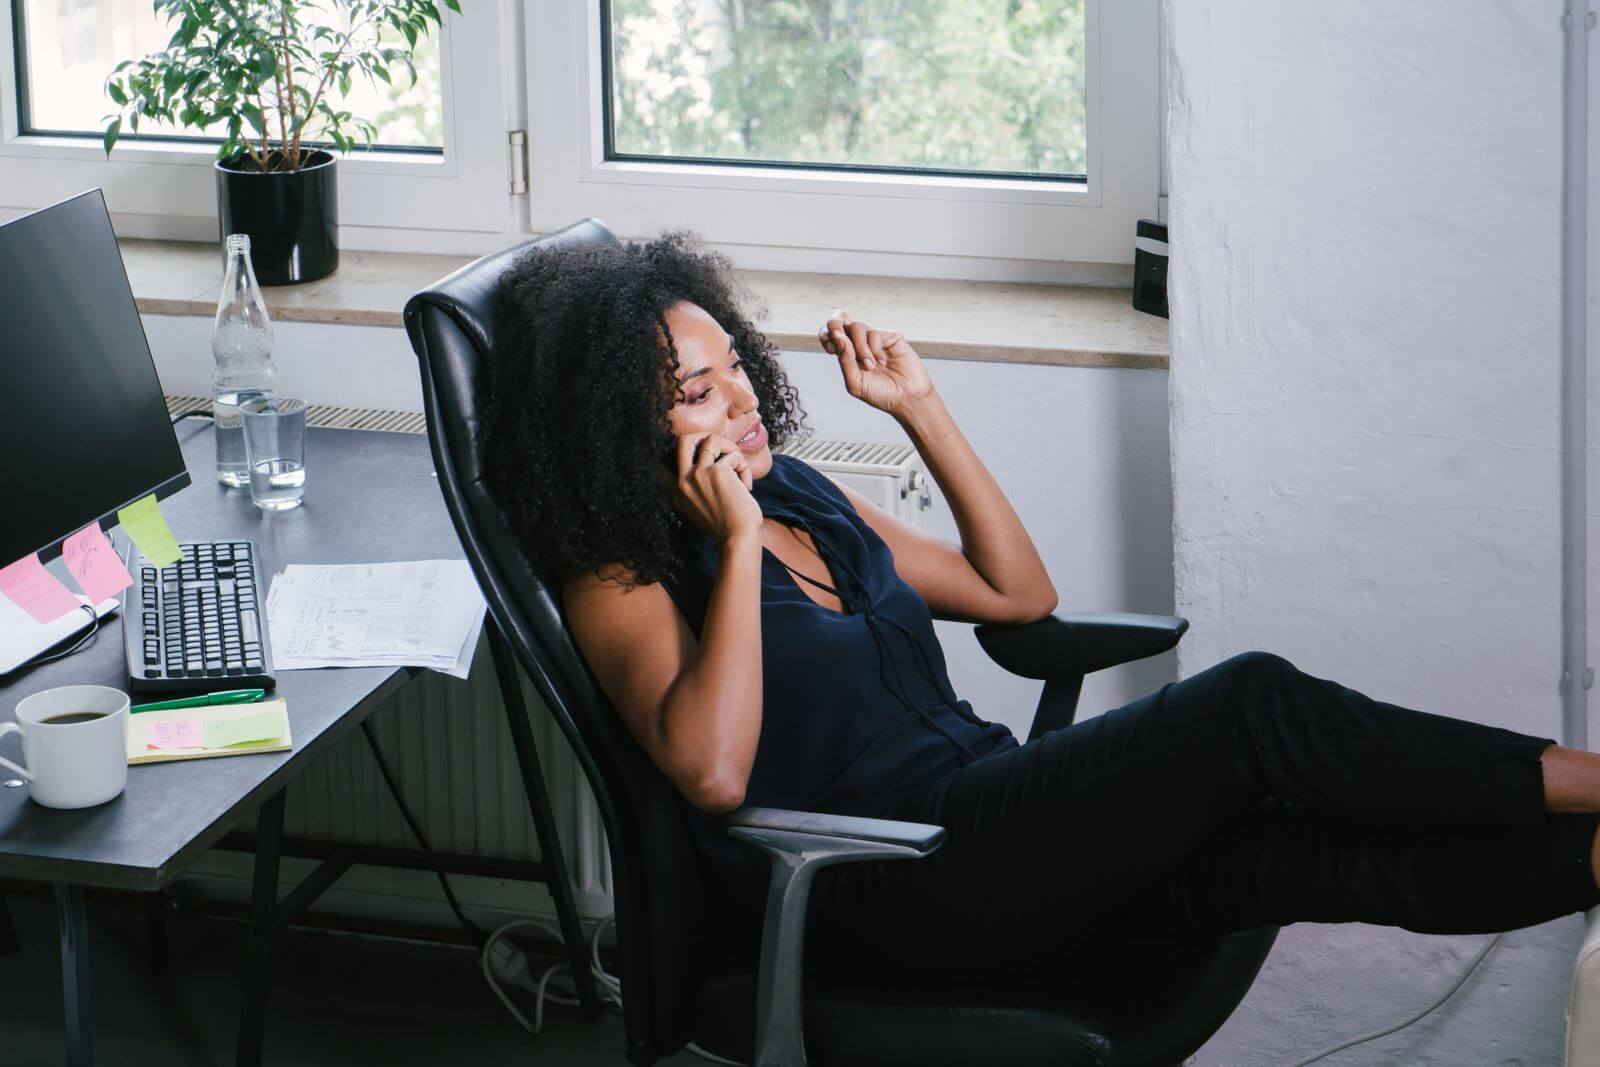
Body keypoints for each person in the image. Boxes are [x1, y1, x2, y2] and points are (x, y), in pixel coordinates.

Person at [480, 231, 1600, 988]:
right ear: (614, 421)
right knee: (1248, 704)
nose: (736, 397)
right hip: (879, 885)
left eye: (732, 363)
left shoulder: (799, 492)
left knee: (1291, 854)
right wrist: (728, 548)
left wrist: (921, 407)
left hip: (982, 817)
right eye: (692, 389)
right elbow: (715, 775)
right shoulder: (617, 572)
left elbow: (1019, 594)